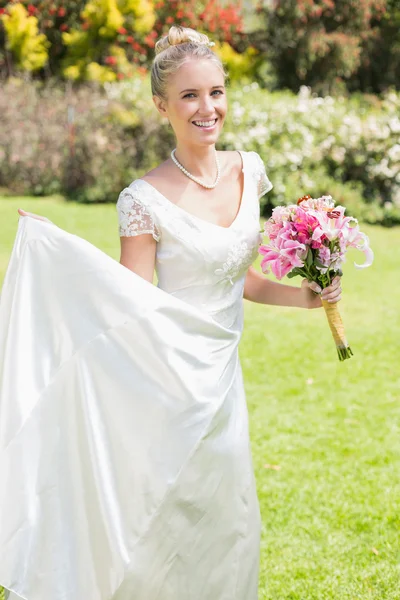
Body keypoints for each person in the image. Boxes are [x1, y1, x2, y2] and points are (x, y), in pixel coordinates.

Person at [0, 25, 341, 600]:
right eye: (189, 96)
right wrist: (58, 255)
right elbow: (127, 299)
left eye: (215, 92)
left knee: (229, 518)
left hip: (222, 379)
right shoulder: (142, 198)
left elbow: (242, 280)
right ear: (162, 105)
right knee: (160, 520)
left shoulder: (248, 170)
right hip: (167, 380)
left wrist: (308, 296)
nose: (207, 108)